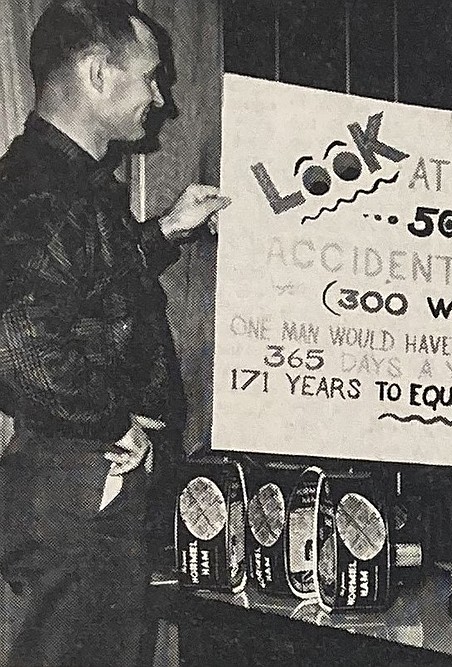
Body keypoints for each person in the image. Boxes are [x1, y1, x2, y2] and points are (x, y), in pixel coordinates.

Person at [0, 1, 229, 665]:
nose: (160, 98)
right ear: (99, 74)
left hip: (83, 486)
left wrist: (165, 229)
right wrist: (108, 420)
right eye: (151, 77)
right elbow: (14, 337)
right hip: (82, 488)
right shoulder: (46, 189)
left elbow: (86, 283)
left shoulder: (57, 181)